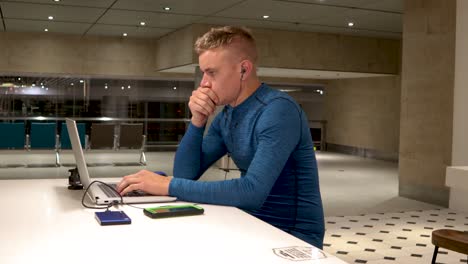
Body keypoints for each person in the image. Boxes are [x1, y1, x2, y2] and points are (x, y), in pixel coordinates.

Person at [117, 26, 325, 248]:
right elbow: (186, 174)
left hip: (292, 238)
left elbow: (252, 191)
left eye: (212, 72)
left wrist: (167, 185)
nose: (204, 83)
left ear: (243, 70)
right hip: (251, 224)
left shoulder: (278, 110)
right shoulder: (226, 115)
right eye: (204, 73)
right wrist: (198, 120)